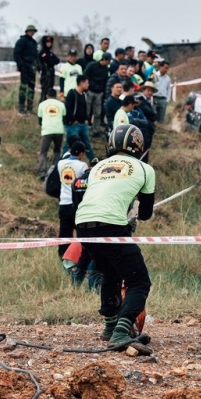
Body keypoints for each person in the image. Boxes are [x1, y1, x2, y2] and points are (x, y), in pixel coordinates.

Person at [74, 123, 156, 352]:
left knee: (109, 273)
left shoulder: (98, 166)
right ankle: (121, 331)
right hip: (111, 225)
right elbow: (146, 214)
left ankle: (110, 327)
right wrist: (136, 208)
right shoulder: (144, 169)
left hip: (82, 224)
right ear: (138, 145)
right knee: (139, 281)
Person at [57, 140, 89, 259]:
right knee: (81, 231)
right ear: (81, 153)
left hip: (63, 202)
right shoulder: (82, 166)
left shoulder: (60, 164)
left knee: (64, 232)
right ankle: (80, 256)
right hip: (76, 203)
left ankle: (62, 255)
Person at [64, 75, 96, 159]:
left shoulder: (84, 95)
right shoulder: (72, 93)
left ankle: (93, 161)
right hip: (74, 124)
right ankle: (63, 160)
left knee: (87, 143)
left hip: (83, 124)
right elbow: (68, 108)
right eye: (87, 83)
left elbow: (85, 108)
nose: (88, 85)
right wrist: (72, 120)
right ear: (81, 83)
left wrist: (86, 119)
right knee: (70, 143)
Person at [37, 88, 66, 179]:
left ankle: (42, 171)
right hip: (59, 131)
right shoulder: (61, 104)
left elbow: (40, 120)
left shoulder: (42, 104)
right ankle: (55, 170)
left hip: (47, 131)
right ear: (56, 96)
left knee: (43, 152)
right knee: (57, 150)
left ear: (47, 96)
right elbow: (64, 118)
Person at [85, 52, 112, 137]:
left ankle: (95, 130)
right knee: (86, 112)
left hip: (99, 93)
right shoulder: (92, 65)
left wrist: (103, 91)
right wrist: (86, 88)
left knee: (97, 113)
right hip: (90, 91)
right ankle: (84, 130)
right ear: (104, 60)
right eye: (108, 61)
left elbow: (105, 81)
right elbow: (85, 75)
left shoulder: (106, 69)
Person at [13, 25, 38, 115]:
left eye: (33, 31)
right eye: (30, 31)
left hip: (32, 69)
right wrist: (21, 65)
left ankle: (30, 108)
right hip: (25, 68)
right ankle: (21, 108)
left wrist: (38, 66)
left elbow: (36, 56)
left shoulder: (34, 43)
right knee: (23, 88)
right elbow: (17, 54)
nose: (32, 32)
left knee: (31, 88)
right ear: (27, 31)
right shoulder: (21, 41)